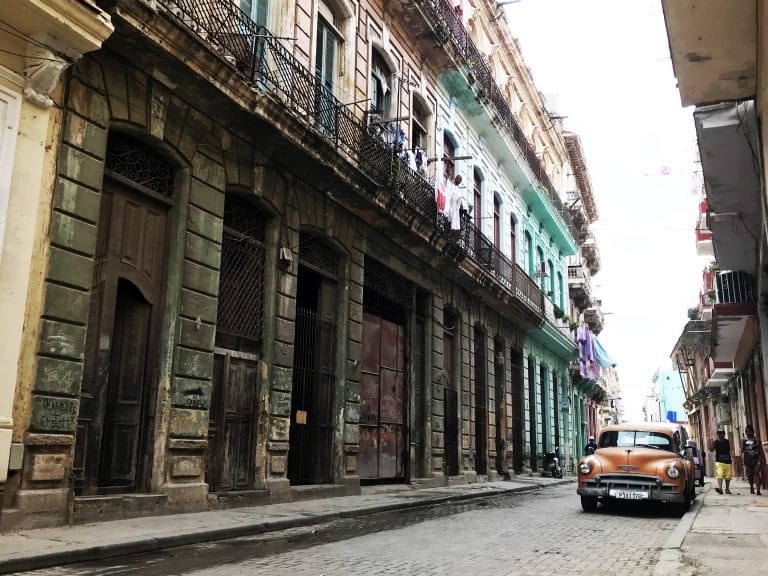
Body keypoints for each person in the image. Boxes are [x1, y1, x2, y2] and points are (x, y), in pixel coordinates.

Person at [742, 424, 765, 495]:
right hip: (748, 459)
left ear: (752, 431)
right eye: (746, 431)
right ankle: (751, 487)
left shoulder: (757, 440)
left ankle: (758, 490)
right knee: (750, 475)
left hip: (756, 459)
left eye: (748, 431)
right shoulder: (744, 440)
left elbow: (761, 450)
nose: (747, 433)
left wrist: (763, 459)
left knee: (756, 473)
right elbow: (742, 450)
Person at [708, 429, 733, 494]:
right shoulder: (715, 442)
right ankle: (720, 488)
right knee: (720, 474)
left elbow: (730, 450)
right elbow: (711, 449)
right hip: (719, 461)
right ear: (717, 434)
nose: (720, 435)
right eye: (719, 433)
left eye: (721, 433)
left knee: (728, 476)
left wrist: (732, 457)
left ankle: (727, 489)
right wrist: (711, 442)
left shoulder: (727, 441)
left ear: (724, 434)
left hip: (727, 460)